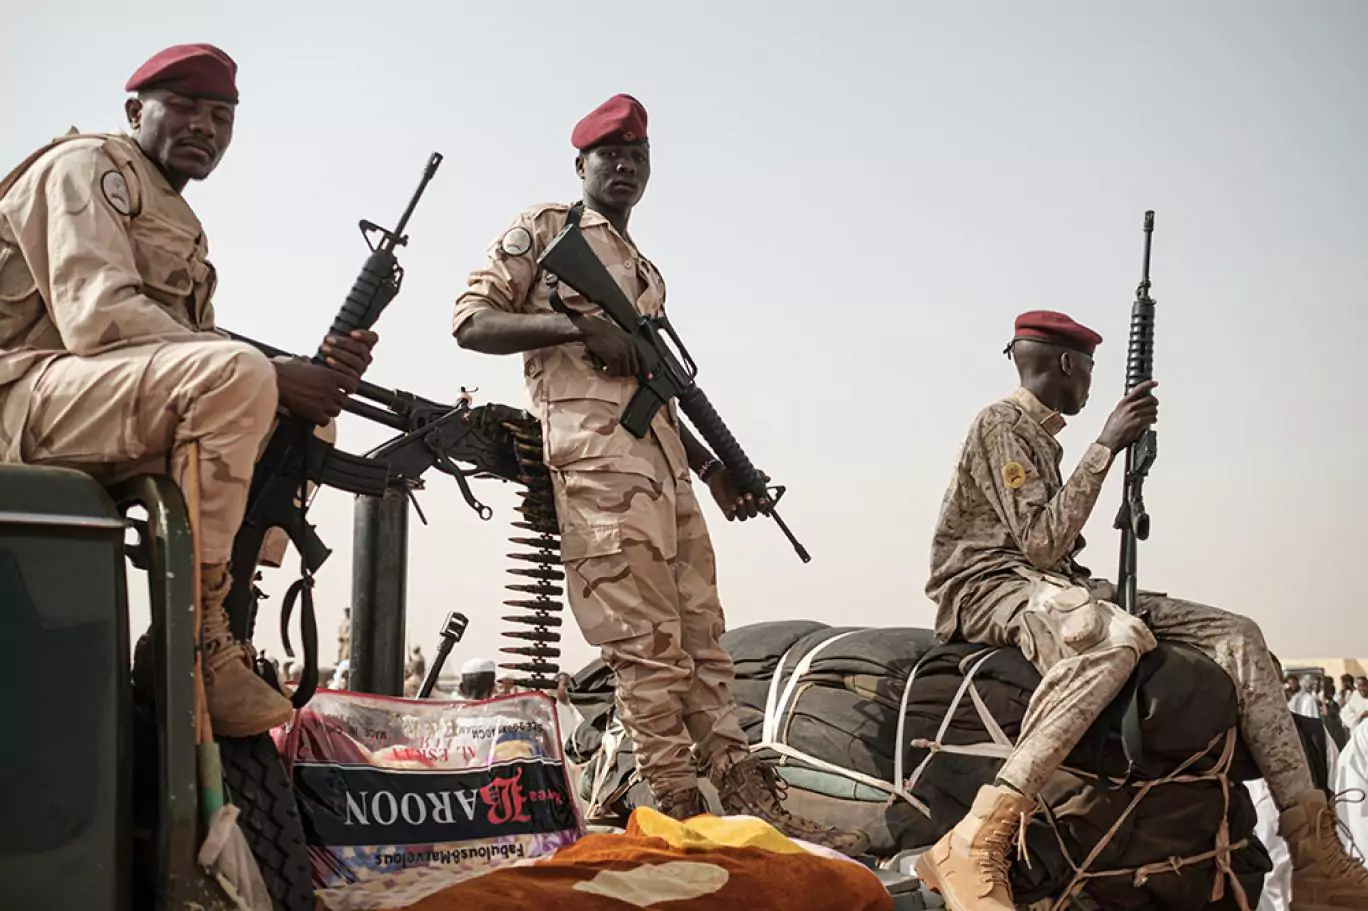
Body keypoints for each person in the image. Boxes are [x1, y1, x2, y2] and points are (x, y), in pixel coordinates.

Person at [450, 93, 867, 854]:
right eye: (610, 155)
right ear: (580, 164)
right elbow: (471, 321)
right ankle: (677, 806)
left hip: (665, 473)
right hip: (599, 468)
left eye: (637, 157)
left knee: (704, 642)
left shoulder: (644, 272)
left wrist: (713, 467)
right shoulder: (547, 228)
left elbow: (660, 396)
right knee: (644, 648)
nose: (625, 168)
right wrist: (576, 326)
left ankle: (744, 793)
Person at [916, 310, 1368, 908]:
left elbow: (1053, 555)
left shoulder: (1043, 435)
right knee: (1110, 637)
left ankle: (1314, 857)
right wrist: (1106, 445)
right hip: (989, 585)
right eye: (1088, 370)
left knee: (1237, 635)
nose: (1089, 384)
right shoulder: (1001, 424)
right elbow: (1041, 542)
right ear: (1067, 364)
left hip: (1050, 581)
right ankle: (977, 837)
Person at [0, 44, 378, 737]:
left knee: (302, 420)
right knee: (244, 377)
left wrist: (305, 375)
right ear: (134, 111)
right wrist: (267, 372)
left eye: (220, 116)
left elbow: (185, 348)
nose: (204, 126)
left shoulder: (174, 213)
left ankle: (225, 613)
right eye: (184, 107)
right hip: (21, 395)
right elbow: (99, 317)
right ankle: (196, 640)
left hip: (84, 399)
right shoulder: (87, 166)